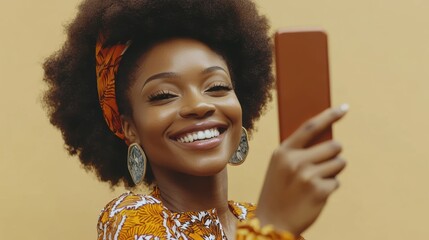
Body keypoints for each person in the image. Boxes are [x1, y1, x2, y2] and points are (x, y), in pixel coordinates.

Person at [43, 0, 347, 239]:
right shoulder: (128, 219)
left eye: (217, 87)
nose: (199, 105)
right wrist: (272, 225)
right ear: (129, 128)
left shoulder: (256, 219)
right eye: (163, 95)